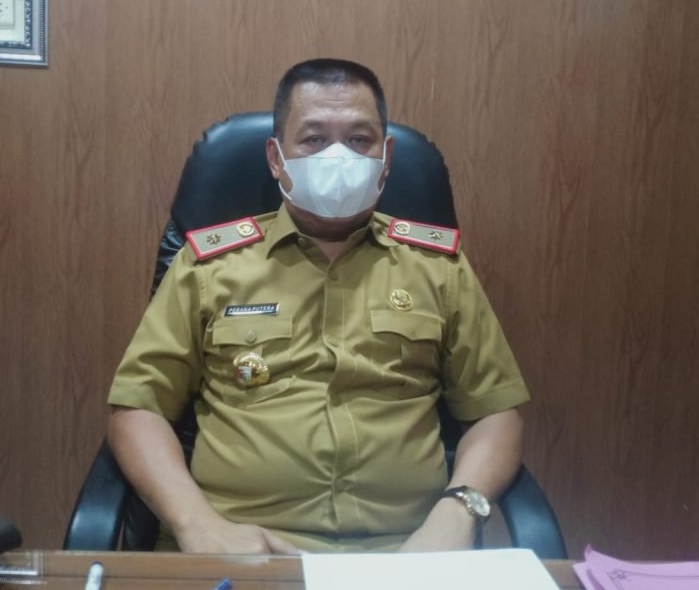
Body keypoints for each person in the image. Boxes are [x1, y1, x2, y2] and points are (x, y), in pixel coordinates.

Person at [107, 58, 529, 554]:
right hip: (245, 549)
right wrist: (196, 524)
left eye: (359, 139)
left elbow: (495, 413)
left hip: (408, 553)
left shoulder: (438, 268)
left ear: (386, 157)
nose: (337, 156)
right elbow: (138, 407)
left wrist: (457, 514)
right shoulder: (208, 268)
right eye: (313, 139)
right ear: (276, 157)